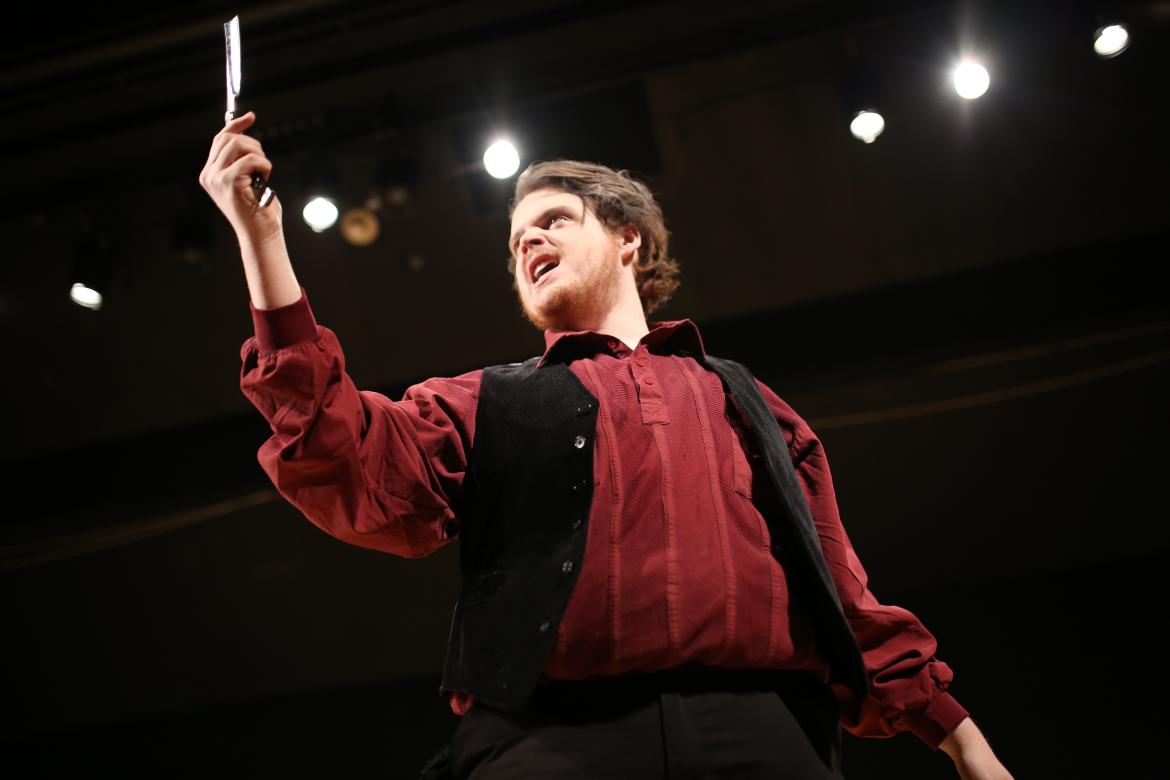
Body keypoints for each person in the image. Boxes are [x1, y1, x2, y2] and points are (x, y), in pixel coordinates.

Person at [200, 111, 1014, 780]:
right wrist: (261, 240)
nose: (527, 244)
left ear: (629, 240)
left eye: (553, 220)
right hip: (548, 745)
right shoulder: (481, 401)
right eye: (516, 240)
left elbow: (842, 593)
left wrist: (965, 744)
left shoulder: (749, 401)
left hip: (762, 737)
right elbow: (346, 460)